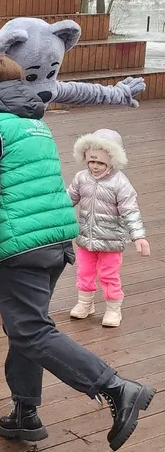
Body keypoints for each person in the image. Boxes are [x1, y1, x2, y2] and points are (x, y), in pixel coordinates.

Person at [0, 56, 155, 451]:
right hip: (55, 241)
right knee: (24, 328)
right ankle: (25, 413)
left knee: (29, 329)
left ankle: (116, 388)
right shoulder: (34, 123)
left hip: (20, 244)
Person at [67, 128, 151, 327]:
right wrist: (52, 209)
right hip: (86, 237)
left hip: (111, 241)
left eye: (101, 163)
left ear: (112, 161)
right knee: (84, 271)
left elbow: (130, 211)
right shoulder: (81, 178)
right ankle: (85, 304)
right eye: (91, 161)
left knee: (108, 275)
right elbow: (68, 198)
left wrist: (138, 236)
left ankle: (114, 309)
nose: (95, 166)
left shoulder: (120, 183)